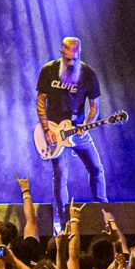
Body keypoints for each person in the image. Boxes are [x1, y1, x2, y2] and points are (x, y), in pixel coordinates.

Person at [35, 36, 107, 222]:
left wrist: (87, 124)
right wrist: (46, 129)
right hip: (54, 131)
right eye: (68, 59)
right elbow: (41, 101)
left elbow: (94, 106)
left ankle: (104, 214)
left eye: (75, 59)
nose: (71, 63)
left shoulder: (88, 74)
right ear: (61, 53)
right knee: (60, 175)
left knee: (96, 168)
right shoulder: (49, 70)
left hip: (77, 130)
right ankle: (64, 221)